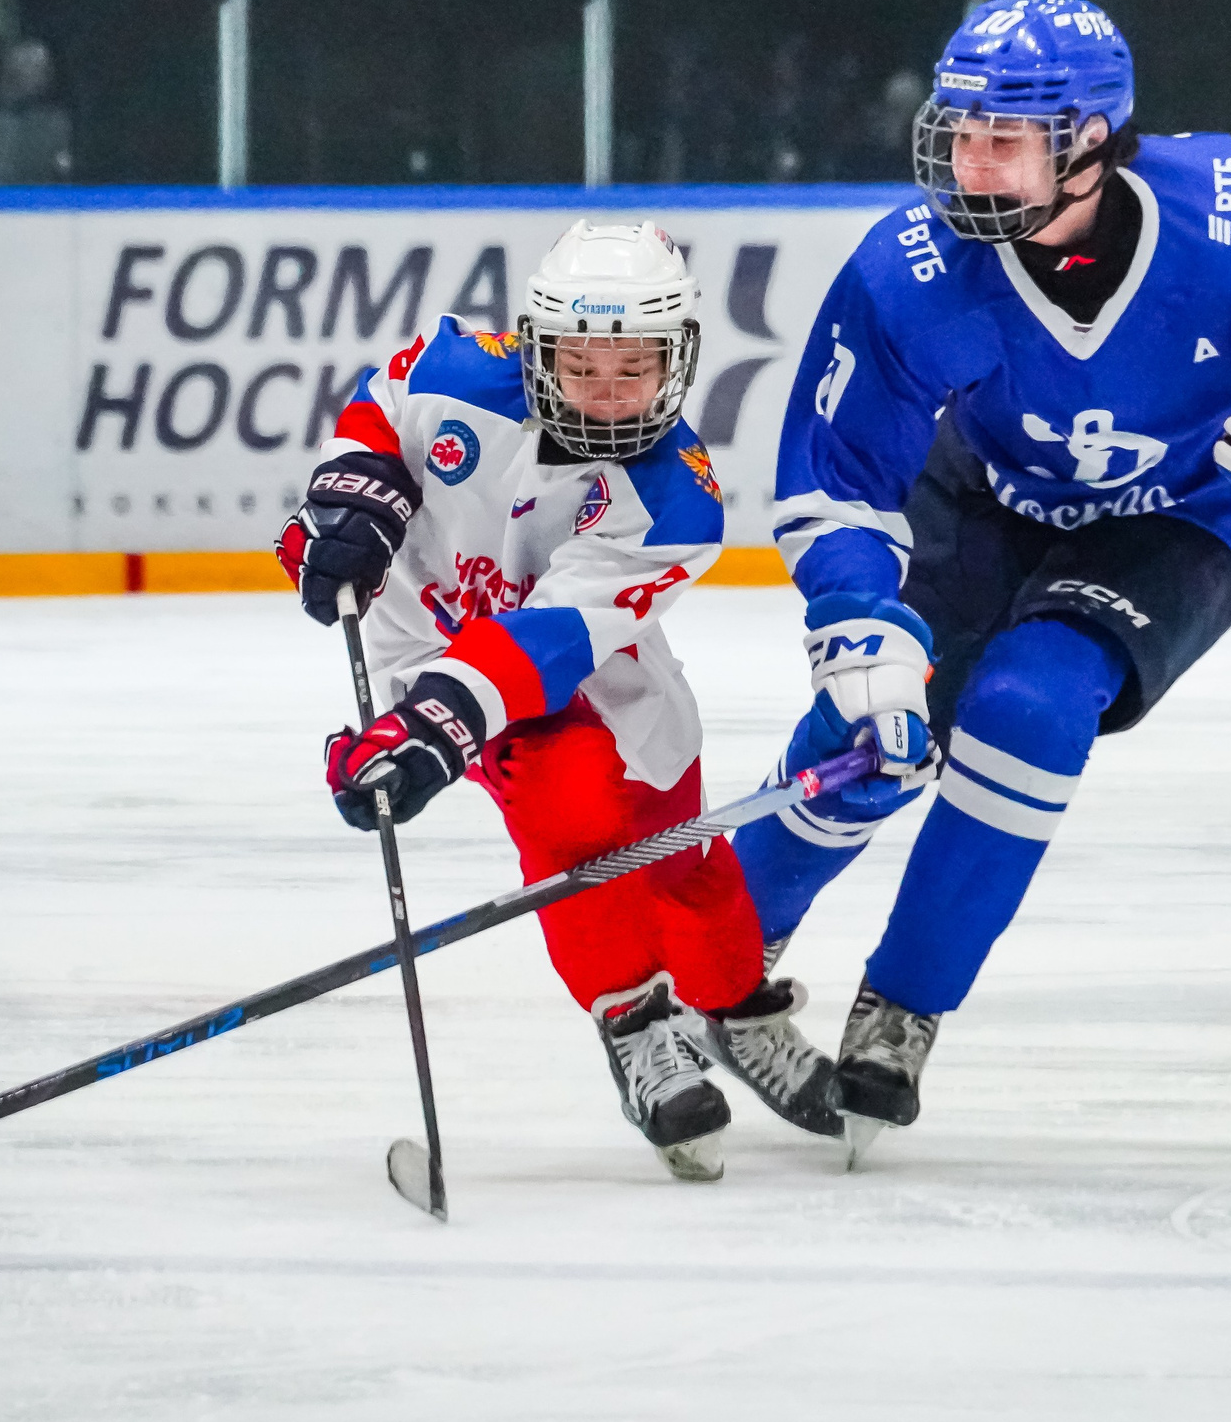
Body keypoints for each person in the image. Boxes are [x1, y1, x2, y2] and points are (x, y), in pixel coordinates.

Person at [731, 0, 1231, 1162]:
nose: (965, 160)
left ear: (1090, 140)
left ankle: (905, 1005)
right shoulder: (910, 268)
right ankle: (724, 952)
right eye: (959, 128)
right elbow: (837, 479)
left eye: (1005, 138)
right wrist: (853, 616)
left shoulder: (1230, 209)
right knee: (881, 729)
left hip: (1185, 514)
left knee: (1032, 707)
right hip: (982, 497)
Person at [276, 221, 843, 1181]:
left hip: (605, 684)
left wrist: (431, 726)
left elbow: (553, 637)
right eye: (582, 365)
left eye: (635, 367)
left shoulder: (677, 500)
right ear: (537, 349)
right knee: (569, 801)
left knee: (687, 869)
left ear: (679, 360)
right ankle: (635, 1022)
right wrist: (354, 500)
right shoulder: (456, 372)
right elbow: (380, 413)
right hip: (441, 655)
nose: (608, 391)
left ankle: (736, 1009)